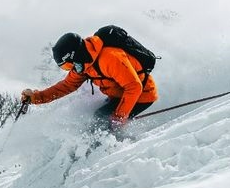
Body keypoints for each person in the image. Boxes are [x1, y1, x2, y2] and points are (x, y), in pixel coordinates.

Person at [21, 31, 158, 129]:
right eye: (67, 67)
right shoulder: (84, 65)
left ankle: (114, 148)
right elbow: (66, 86)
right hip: (119, 94)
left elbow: (134, 87)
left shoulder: (109, 58)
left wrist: (119, 117)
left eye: (69, 65)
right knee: (96, 118)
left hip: (142, 95)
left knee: (101, 119)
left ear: (75, 55)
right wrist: (36, 97)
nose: (72, 69)